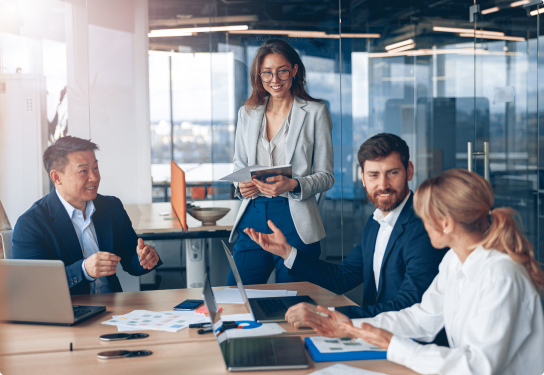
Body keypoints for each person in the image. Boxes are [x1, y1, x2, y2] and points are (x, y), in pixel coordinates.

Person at [303, 169, 544, 375]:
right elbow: (421, 318)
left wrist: (393, 344)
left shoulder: (501, 276)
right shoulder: (455, 259)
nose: (421, 224)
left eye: (425, 216)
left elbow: (476, 366)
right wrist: (353, 328)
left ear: (447, 223)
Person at [245, 133, 448, 325]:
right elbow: (343, 278)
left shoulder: (424, 229)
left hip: (405, 341)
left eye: (392, 173)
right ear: (362, 177)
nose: (383, 185)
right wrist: (286, 252)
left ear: (409, 171)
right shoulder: (376, 222)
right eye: (374, 175)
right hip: (375, 333)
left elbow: (408, 308)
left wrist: (328, 315)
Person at [227, 39, 334, 286]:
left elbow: (326, 176)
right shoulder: (248, 112)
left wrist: (292, 184)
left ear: (294, 71)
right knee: (237, 296)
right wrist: (241, 186)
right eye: (267, 72)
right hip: (253, 216)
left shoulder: (316, 112)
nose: (274, 79)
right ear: (259, 75)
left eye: (282, 70)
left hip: (295, 219)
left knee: (295, 300)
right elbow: (239, 164)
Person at [13, 136, 162, 295]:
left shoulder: (111, 207)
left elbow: (131, 260)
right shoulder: (31, 223)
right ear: (57, 177)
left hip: (113, 306)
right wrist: (84, 270)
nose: (94, 177)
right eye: (83, 171)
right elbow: (34, 285)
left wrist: (145, 259)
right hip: (68, 311)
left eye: (96, 168)